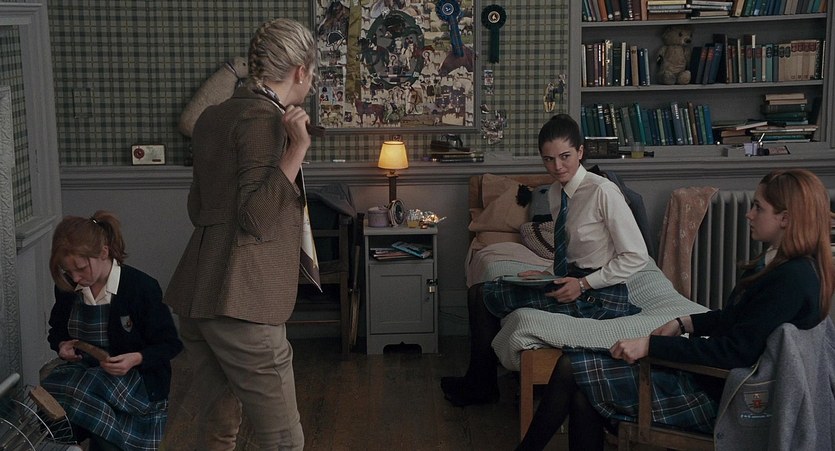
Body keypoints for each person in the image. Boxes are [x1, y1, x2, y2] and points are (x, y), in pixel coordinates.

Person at [517, 168, 834, 451]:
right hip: (717, 382)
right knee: (581, 389)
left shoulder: (791, 281)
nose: (749, 215)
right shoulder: (782, 266)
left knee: (572, 369)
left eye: (758, 207)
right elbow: (738, 321)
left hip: (725, 400)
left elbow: (734, 353)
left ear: (785, 219)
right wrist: (685, 322)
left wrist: (650, 346)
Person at [162, 17, 316, 450]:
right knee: (283, 440)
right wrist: (297, 148)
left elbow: (198, 209)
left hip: (198, 293)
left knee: (218, 428)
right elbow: (256, 219)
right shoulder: (267, 121)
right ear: (300, 71)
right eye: (312, 74)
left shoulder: (213, 117)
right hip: (241, 302)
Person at [441, 114, 650, 407]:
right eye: (549, 159)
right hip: (571, 280)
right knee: (480, 292)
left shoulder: (603, 192)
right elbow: (569, 249)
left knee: (484, 296)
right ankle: (481, 381)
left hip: (602, 295)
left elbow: (637, 256)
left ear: (580, 152)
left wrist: (583, 284)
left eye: (565, 157)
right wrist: (546, 274)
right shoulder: (554, 192)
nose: (557, 167)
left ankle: (481, 386)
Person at [41, 211, 183, 451]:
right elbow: (57, 331)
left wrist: (135, 358)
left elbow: (170, 344)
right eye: (68, 271)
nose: (75, 277)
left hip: (135, 380)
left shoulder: (140, 287)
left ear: (103, 252)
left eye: (81, 268)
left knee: (84, 393)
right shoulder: (69, 287)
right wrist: (62, 345)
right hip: (86, 373)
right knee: (51, 393)